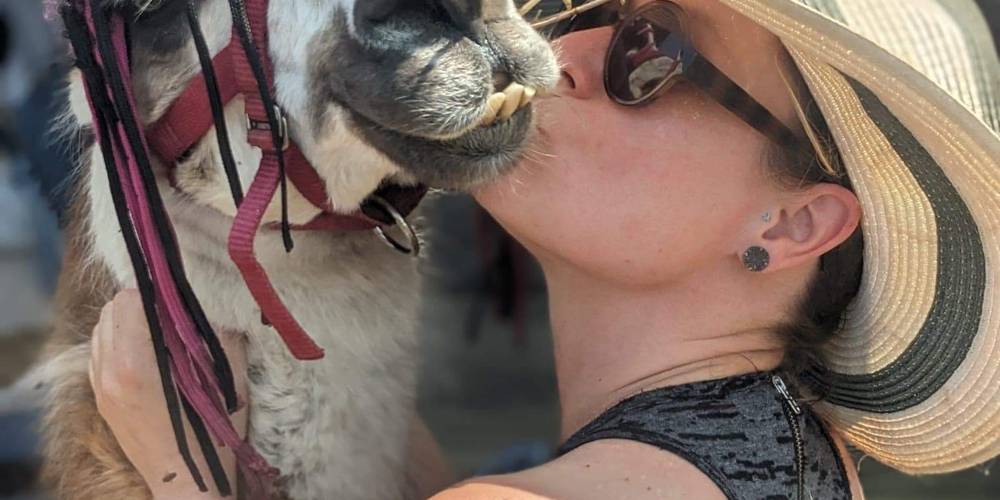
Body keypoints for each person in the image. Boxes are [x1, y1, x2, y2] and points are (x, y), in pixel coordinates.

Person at [87, 0, 1000, 498]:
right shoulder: (798, 457)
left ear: (790, 225)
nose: (563, 55)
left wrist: (178, 472)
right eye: (602, 11)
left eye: (652, 56)